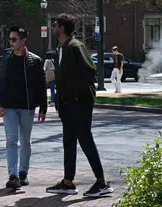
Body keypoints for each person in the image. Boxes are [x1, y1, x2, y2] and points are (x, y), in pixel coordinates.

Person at [47, 14, 113, 198]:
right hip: (66, 104)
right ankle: (68, 182)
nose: (53, 27)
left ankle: (102, 183)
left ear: (61, 28)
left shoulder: (76, 46)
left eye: (55, 24)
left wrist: (76, 95)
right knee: (69, 141)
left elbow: (89, 72)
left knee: (85, 139)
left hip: (79, 103)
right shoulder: (62, 47)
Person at [0, 27, 47, 189]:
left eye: (14, 39)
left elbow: (41, 86)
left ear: (23, 41)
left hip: (27, 107)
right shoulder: (5, 59)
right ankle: (13, 175)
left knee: (25, 141)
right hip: (9, 108)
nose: (11, 42)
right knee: (11, 141)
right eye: (10, 39)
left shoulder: (35, 61)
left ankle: (23, 173)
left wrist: (43, 108)